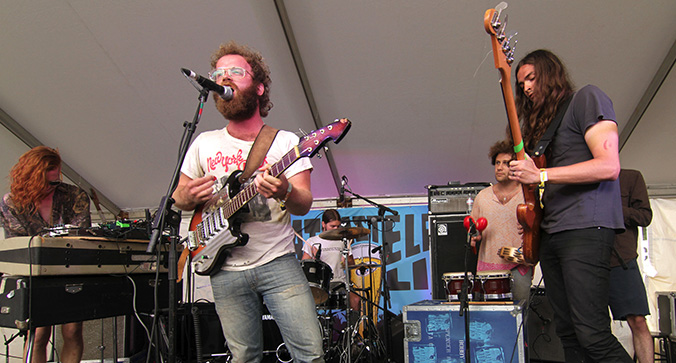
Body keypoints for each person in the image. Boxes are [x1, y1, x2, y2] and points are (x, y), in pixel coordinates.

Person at [171, 41, 324, 362]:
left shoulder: (285, 141)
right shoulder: (204, 142)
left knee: (310, 354)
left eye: (235, 72)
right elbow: (179, 197)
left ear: (259, 86)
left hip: (278, 263)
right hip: (223, 266)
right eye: (219, 73)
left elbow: (303, 203)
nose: (224, 78)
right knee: (243, 357)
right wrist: (188, 195)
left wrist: (283, 190)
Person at [508, 49, 632, 362]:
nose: (526, 88)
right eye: (521, 83)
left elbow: (609, 166)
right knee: (568, 333)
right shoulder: (544, 127)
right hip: (552, 231)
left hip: (586, 226)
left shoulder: (587, 98)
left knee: (592, 332)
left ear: (551, 74)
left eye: (532, 78)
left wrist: (542, 174)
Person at [0, 146, 91, 363]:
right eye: (49, 183)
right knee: (38, 334)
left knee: (71, 330)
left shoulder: (74, 196)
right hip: (34, 273)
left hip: (70, 271)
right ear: (32, 180)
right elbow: (18, 245)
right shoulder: (12, 203)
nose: (54, 186)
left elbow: (80, 237)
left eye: (56, 181)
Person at [470, 140, 532, 303]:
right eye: (497, 163)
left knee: (519, 315)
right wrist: (473, 237)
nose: (499, 167)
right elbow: (473, 230)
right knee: (489, 318)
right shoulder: (482, 197)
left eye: (505, 163)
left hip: (519, 267)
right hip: (487, 270)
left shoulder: (527, 195)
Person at [609, 169, 653, 363]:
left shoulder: (630, 177)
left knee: (638, 321)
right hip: (588, 262)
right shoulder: (576, 181)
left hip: (621, 260)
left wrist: (613, 208)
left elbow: (645, 217)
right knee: (592, 328)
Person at [301, 209, 361, 314]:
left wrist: (347, 258)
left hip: (340, 283)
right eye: (332, 226)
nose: (336, 229)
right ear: (323, 224)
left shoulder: (343, 241)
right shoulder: (313, 241)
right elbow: (304, 267)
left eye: (338, 226)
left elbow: (352, 265)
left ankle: (354, 330)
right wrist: (314, 259)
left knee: (356, 300)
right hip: (321, 285)